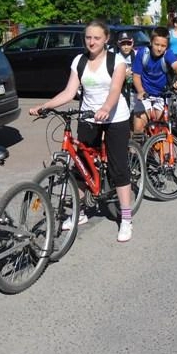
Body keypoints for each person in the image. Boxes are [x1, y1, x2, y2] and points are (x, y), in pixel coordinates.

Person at [29, 20, 135, 243]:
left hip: (115, 117)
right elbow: (69, 92)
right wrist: (45, 106)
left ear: (106, 39)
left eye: (97, 38)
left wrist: (106, 108)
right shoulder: (79, 61)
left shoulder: (116, 61)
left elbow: (115, 90)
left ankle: (126, 218)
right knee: (80, 166)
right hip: (87, 116)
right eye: (88, 37)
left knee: (118, 168)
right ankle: (82, 211)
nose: (92, 42)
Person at [132, 26, 177, 135]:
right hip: (144, 93)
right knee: (139, 127)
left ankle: (161, 145)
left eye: (163, 46)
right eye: (156, 44)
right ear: (151, 42)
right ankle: (139, 145)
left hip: (161, 94)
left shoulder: (168, 54)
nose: (159, 49)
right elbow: (136, 75)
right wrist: (140, 91)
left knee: (162, 129)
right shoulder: (143, 53)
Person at [115, 29, 137, 110]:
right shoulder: (114, 56)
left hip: (134, 90)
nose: (126, 47)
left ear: (133, 43)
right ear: (118, 44)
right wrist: (123, 75)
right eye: (123, 44)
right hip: (119, 91)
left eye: (129, 43)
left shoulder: (137, 55)